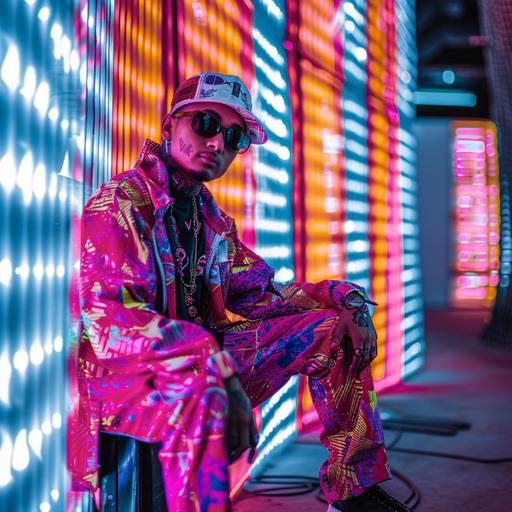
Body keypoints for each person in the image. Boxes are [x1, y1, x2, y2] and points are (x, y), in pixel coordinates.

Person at [68, 71, 411, 512]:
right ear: (170, 125)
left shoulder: (211, 224)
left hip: (205, 366)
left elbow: (265, 297)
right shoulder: (121, 202)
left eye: (233, 138)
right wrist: (211, 362)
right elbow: (110, 324)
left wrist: (349, 300)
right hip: (130, 381)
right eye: (206, 124)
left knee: (334, 333)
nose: (217, 144)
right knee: (203, 393)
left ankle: (354, 493)